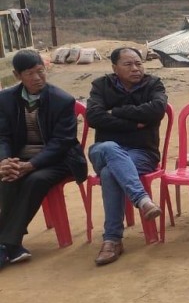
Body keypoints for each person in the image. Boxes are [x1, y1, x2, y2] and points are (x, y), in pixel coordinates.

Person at [0, 51, 87, 267]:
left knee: (35, 179)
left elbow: (62, 142)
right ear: (17, 75)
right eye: (30, 74)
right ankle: (12, 245)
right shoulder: (5, 99)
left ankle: (6, 244)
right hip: (21, 158)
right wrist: (5, 161)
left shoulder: (62, 100)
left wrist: (31, 165)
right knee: (7, 176)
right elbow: (3, 136)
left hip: (60, 160)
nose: (38, 78)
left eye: (41, 71)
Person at [87, 47, 167, 266]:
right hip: (102, 150)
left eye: (138, 63)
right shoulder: (100, 86)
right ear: (114, 68)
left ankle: (112, 239)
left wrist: (115, 112)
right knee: (111, 148)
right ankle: (142, 200)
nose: (135, 69)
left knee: (110, 173)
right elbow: (93, 117)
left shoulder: (153, 84)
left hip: (141, 153)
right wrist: (135, 123)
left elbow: (156, 110)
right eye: (128, 64)